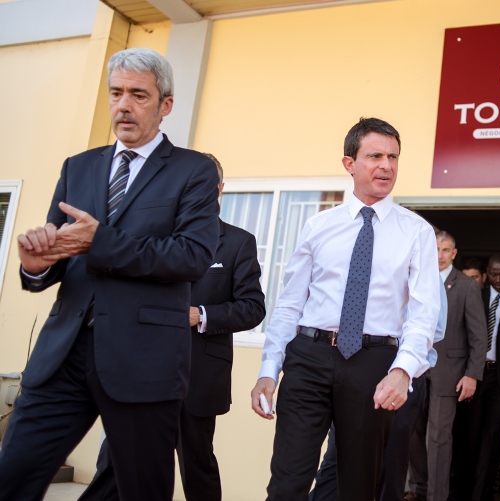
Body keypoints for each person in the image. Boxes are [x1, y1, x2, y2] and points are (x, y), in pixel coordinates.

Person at [0, 48, 220, 501]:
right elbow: (62, 250)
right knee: (12, 475)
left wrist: (99, 242)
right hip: (63, 354)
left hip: (143, 362)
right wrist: (36, 266)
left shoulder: (193, 171)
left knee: (140, 491)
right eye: (116, 93)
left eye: (139, 95)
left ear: (166, 105)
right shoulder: (78, 166)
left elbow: (192, 256)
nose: (124, 105)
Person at [250, 118, 441, 501]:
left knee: (357, 487)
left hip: (374, 364)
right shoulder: (318, 225)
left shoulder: (416, 232)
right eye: (374, 156)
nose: (386, 165)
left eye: (393, 157)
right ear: (349, 163)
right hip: (309, 357)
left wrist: (403, 371)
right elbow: (290, 303)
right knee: (287, 484)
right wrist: (269, 369)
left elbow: (424, 314)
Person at [78, 154, 266, 501]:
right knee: (115, 462)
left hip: (199, 375)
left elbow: (253, 308)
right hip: (141, 373)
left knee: (197, 466)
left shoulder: (238, 242)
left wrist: (202, 315)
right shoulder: (150, 239)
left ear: (219, 190)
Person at [308, 282, 447, 501]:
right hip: (357, 374)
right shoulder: (367, 268)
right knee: (337, 459)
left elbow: (435, 329)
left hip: (404, 379)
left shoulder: (427, 275)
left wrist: (391, 346)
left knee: (390, 466)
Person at [407, 231, 486, 501]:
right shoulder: (418, 279)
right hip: (415, 369)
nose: (439, 255)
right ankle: (417, 489)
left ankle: (436, 496)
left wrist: (472, 375)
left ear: (454, 253)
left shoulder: (466, 285)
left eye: (445, 250)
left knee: (439, 438)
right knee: (412, 432)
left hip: (449, 372)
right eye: (435, 249)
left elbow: (478, 335)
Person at [458, 255, 500, 501]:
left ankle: (481, 495)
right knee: (470, 436)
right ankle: (464, 490)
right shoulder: (478, 296)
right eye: (493, 274)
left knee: (491, 440)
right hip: (475, 374)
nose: (498, 279)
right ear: (486, 275)